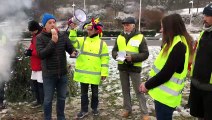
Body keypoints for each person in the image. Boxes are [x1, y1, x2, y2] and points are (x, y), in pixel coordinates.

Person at [139, 13, 193, 120]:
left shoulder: (179, 46)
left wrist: (147, 85)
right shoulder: (173, 42)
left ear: (171, 28)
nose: (161, 30)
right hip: (162, 96)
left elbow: (166, 73)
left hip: (166, 99)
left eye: (163, 27)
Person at [36, 13, 76, 120]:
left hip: (62, 73)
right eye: (50, 23)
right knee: (48, 99)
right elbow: (41, 54)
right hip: (49, 74)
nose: (53, 25)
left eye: (54, 22)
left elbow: (70, 48)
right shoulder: (40, 38)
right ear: (45, 26)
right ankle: (47, 118)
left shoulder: (62, 35)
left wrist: (73, 52)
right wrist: (53, 41)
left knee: (62, 98)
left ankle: (61, 117)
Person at [69, 18, 109, 119]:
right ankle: (84, 110)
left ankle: (94, 108)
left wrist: (104, 72)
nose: (88, 31)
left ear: (96, 30)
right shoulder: (83, 40)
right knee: (83, 93)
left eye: (90, 29)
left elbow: (105, 59)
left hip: (95, 73)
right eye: (87, 29)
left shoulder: (102, 44)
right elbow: (72, 42)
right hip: (83, 73)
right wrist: (73, 30)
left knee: (95, 93)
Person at [112, 17, 150, 120]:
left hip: (134, 67)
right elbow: (114, 51)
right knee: (125, 90)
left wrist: (132, 58)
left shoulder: (140, 37)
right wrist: (117, 56)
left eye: (128, 25)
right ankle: (127, 109)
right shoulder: (119, 37)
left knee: (139, 90)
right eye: (124, 25)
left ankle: (144, 112)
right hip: (122, 67)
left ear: (133, 25)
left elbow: (145, 54)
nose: (125, 27)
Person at [189, 3, 212, 120]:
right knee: (199, 115)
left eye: (208, 15)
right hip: (197, 83)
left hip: (209, 87)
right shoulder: (204, 33)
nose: (204, 18)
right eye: (205, 15)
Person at [24, 20, 44, 108]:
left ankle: (42, 102)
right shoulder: (35, 36)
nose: (31, 32)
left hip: (41, 65)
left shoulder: (42, 36)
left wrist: (31, 53)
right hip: (35, 65)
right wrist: (28, 50)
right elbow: (32, 46)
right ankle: (38, 100)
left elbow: (41, 51)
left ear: (36, 29)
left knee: (40, 85)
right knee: (34, 84)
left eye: (32, 31)